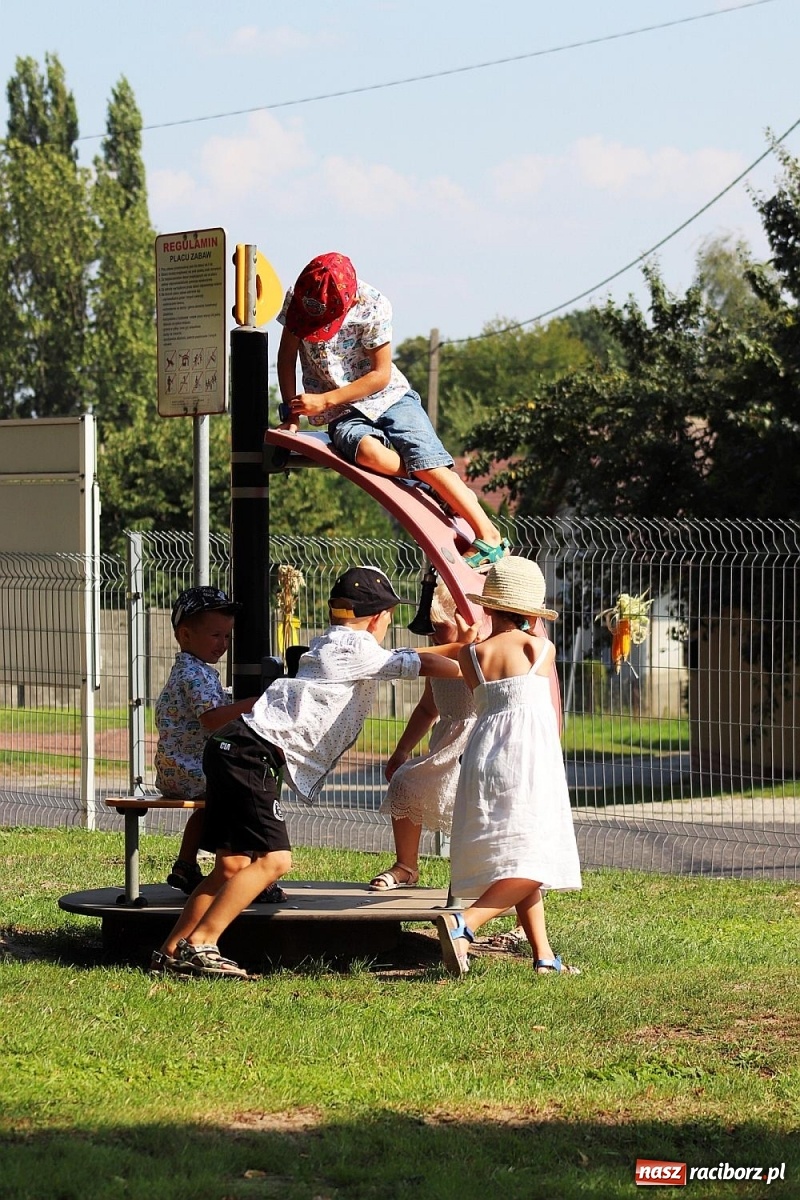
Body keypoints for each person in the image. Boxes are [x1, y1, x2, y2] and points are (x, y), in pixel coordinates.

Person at [151, 566, 475, 979]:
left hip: (232, 748)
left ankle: (170, 950)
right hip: (252, 755)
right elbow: (424, 661)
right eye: (390, 618)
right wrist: (474, 659)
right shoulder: (357, 649)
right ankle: (202, 944)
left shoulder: (335, 641)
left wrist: (461, 647)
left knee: (231, 867)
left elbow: (409, 656)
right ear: (378, 618)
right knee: (275, 860)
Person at [277, 252, 509, 571]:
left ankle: (490, 535)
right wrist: (291, 417)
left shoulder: (373, 305)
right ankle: (432, 481)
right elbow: (286, 358)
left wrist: (326, 399)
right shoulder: (301, 301)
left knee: (424, 455)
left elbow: (380, 375)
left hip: (390, 397)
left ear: (349, 301)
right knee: (368, 453)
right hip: (342, 412)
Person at [434, 556, 582, 977]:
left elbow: (483, 697)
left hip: (484, 755)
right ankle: (465, 924)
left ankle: (544, 956)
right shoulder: (540, 648)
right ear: (531, 611)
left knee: (519, 852)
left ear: (489, 607)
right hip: (527, 758)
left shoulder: (471, 654)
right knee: (536, 856)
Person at [154, 587, 284, 903]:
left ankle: (185, 865)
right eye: (215, 635)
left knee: (213, 802)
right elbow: (212, 719)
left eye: (227, 636)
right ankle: (253, 873)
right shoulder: (195, 674)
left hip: (176, 772)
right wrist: (252, 703)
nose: (223, 644)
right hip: (194, 770)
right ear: (185, 635)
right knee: (248, 792)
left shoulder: (189, 670)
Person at [369, 580, 477, 891]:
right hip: (446, 743)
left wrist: (464, 647)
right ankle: (406, 866)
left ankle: (482, 877)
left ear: (463, 620)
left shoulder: (478, 654)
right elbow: (429, 707)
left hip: (472, 745)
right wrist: (402, 750)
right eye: (428, 628)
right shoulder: (438, 662)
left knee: (471, 806)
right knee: (405, 782)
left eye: (439, 627)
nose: (431, 635)